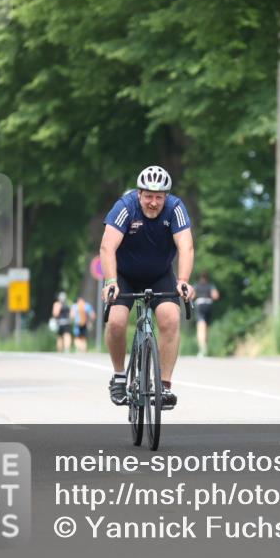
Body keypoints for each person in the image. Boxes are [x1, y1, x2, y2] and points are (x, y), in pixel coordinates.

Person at [101, 165, 194, 409]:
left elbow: (186, 246)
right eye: (149, 196)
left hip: (159, 274)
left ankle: (164, 386)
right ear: (139, 193)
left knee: (170, 319)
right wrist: (111, 282)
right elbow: (107, 247)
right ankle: (120, 376)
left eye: (159, 197)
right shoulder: (125, 207)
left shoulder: (175, 209)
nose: (153, 202)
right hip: (124, 275)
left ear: (166, 196)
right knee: (117, 321)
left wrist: (183, 280)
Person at [193, 273, 220, 357]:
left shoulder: (196, 285)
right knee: (206, 327)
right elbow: (215, 296)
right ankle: (205, 347)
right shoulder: (210, 286)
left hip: (200, 305)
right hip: (209, 305)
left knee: (201, 328)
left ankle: (202, 349)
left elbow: (192, 295)